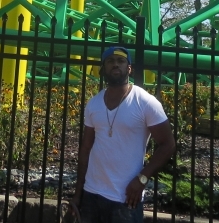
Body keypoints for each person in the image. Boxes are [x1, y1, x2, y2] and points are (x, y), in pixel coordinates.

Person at [71, 46, 175, 223]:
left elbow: (168, 144)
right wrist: (78, 193)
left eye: (121, 61)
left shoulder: (146, 102)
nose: (115, 65)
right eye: (110, 61)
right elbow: (86, 148)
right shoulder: (94, 104)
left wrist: (142, 179)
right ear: (102, 69)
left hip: (125, 198)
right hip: (91, 194)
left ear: (129, 68)